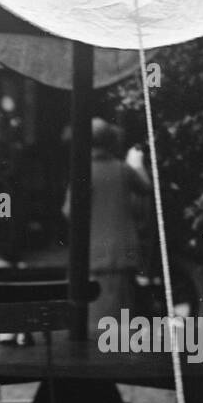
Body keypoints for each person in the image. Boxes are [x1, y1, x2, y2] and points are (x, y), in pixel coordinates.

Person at [63, 117, 153, 333]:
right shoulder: (123, 170)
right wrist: (137, 163)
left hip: (93, 254)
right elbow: (146, 187)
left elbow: (69, 212)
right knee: (122, 320)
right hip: (123, 252)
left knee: (95, 320)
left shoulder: (83, 172)